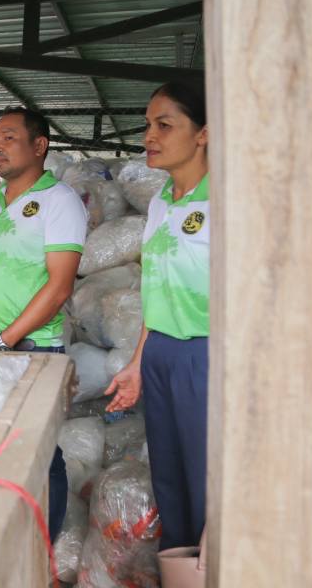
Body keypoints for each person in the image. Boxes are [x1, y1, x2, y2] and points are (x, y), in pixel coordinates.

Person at [0, 106, 87, 541]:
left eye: (9, 137)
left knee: (40, 455)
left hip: (35, 350)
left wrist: (5, 339)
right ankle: (4, 541)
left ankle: (40, 549)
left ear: (39, 145)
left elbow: (59, 286)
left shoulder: (60, 201)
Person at [105, 81, 209, 551]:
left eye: (165, 125)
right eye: (148, 124)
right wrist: (138, 362)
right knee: (170, 480)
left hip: (208, 355)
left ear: (203, 133)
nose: (150, 134)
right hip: (163, 352)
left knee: (209, 482)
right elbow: (158, 290)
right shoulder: (163, 201)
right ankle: (182, 570)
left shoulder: (226, 198)